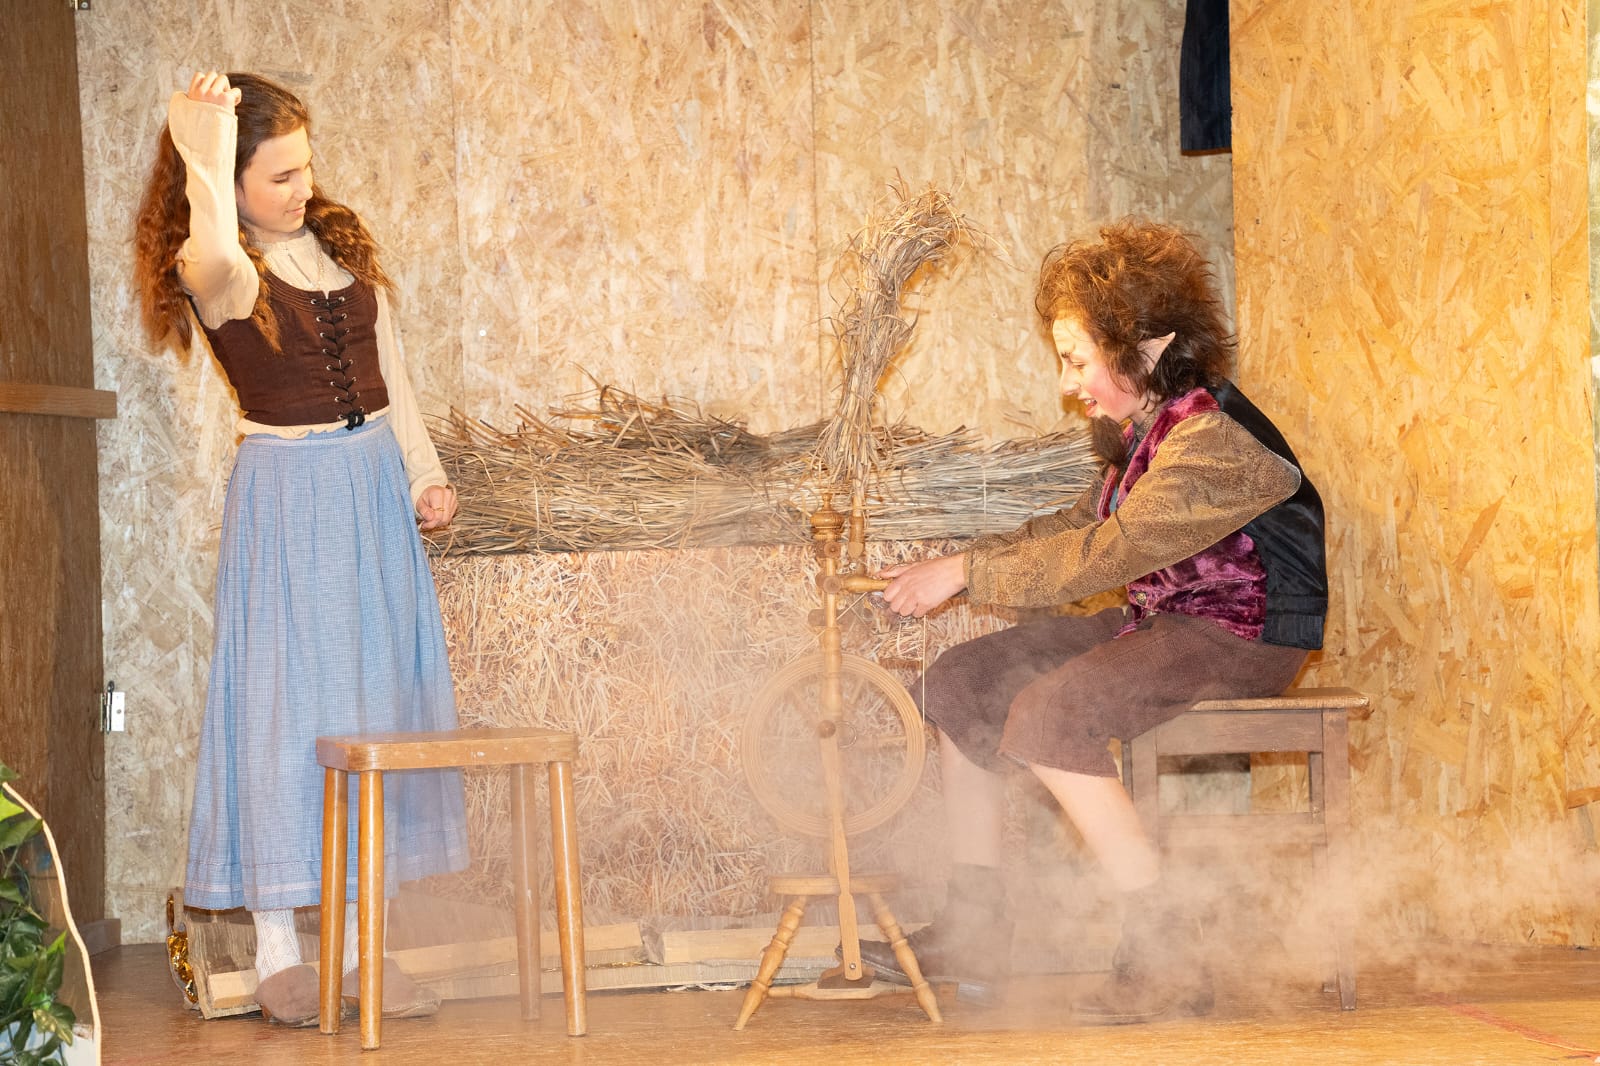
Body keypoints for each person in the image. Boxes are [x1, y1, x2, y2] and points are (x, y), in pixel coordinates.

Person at [858, 219, 1327, 1023]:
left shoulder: (1213, 441)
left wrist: (964, 575)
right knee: (961, 682)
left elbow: (1108, 553)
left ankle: (1168, 955)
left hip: (1244, 638)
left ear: (1148, 347)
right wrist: (955, 565)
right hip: (1165, 622)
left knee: (1052, 713)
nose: (1069, 383)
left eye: (1078, 361)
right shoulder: (1146, 434)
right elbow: (1076, 530)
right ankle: (976, 930)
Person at [134, 71, 469, 1027]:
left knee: (373, 710)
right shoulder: (219, 270)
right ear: (230, 183)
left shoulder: (341, 248)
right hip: (287, 498)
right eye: (277, 176)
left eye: (304, 168)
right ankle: (280, 951)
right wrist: (201, 150)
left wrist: (422, 472)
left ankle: (365, 949)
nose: (301, 188)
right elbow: (211, 254)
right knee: (284, 715)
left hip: (370, 492)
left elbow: (393, 375)